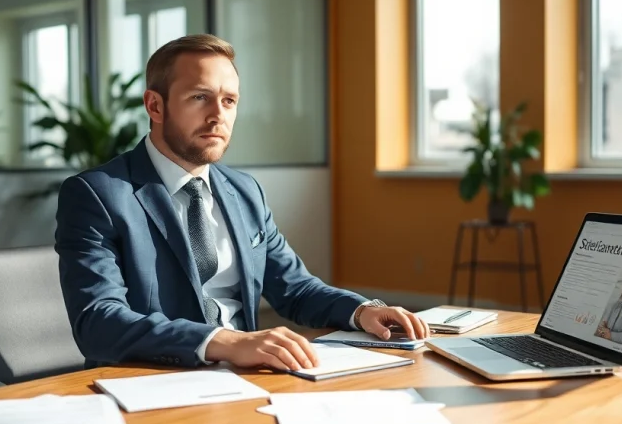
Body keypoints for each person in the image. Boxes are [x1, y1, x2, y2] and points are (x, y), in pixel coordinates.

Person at [54, 34, 428, 372]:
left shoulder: (244, 190)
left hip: (248, 380)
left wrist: (363, 311)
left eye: (229, 100)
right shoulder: (97, 195)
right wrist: (226, 343)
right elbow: (98, 321)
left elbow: (295, 288)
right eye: (200, 97)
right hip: (153, 381)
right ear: (155, 106)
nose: (218, 115)